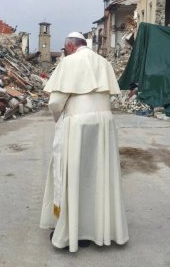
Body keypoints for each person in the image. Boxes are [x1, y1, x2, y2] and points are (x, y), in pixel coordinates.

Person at [40, 31, 129, 252]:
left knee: (73, 175)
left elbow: (55, 102)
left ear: (70, 47)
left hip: (77, 124)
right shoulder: (104, 62)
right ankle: (99, 230)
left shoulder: (69, 62)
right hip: (104, 124)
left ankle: (72, 232)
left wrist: (59, 121)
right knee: (99, 176)